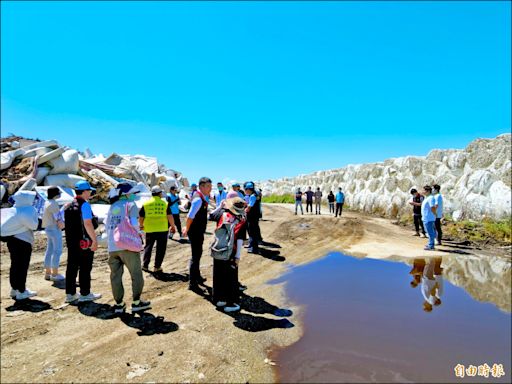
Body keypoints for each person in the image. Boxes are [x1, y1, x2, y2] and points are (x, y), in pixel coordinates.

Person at [106, 183, 151, 314]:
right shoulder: (131, 205)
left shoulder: (112, 207)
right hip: (128, 245)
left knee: (115, 276)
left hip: (112, 246)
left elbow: (108, 225)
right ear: (126, 194)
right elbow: (134, 224)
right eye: (132, 193)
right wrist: (140, 235)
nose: (133, 196)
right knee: (136, 275)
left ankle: (119, 304)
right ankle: (136, 303)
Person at [64, 180, 101, 303]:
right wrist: (94, 240)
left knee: (71, 267)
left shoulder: (67, 205)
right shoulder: (85, 205)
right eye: (89, 190)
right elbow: (88, 223)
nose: (90, 192)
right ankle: (85, 293)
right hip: (84, 242)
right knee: (85, 268)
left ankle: (70, 294)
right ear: (84, 191)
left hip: (71, 242)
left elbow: (59, 222)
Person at [209, 196, 247, 312]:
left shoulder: (221, 213)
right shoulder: (242, 219)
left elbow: (210, 216)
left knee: (218, 274)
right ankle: (231, 303)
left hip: (218, 249)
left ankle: (219, 300)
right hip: (231, 251)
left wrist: (219, 207)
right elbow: (240, 239)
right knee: (230, 278)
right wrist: (238, 257)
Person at [0, 191, 39, 300]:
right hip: (23, 241)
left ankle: (14, 289)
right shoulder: (26, 211)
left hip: (12, 240)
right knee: (22, 267)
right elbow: (34, 225)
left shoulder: (13, 209)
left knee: (15, 265)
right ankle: (22, 291)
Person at [183, 177, 212, 291]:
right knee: (195, 256)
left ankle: (197, 276)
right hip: (195, 231)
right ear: (201, 186)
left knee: (198, 254)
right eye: (208, 186)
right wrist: (186, 228)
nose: (210, 189)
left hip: (198, 230)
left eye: (210, 186)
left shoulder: (200, 196)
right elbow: (190, 216)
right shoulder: (198, 199)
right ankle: (192, 283)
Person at [139, 185, 176, 273]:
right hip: (162, 229)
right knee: (160, 249)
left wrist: (141, 225)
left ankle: (145, 265)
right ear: (159, 194)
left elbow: (141, 216)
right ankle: (157, 267)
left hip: (149, 229)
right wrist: (173, 226)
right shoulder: (164, 204)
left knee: (148, 247)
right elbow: (169, 216)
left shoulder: (146, 204)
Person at [42, 186, 65, 281]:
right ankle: (55, 274)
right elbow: (58, 219)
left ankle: (48, 273)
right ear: (56, 194)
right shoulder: (54, 204)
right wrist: (63, 227)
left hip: (48, 228)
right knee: (57, 251)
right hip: (54, 229)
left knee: (50, 250)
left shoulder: (47, 202)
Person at [244, 182, 261, 254]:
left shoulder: (252, 196)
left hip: (252, 217)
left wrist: (243, 211)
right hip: (254, 216)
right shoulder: (255, 195)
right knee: (252, 232)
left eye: (245, 189)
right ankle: (251, 245)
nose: (245, 191)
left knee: (252, 232)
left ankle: (254, 248)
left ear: (248, 189)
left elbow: (249, 208)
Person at [421, 185, 437, 251]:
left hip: (429, 218)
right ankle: (430, 244)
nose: (422, 191)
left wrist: (435, 214)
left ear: (427, 191)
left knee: (430, 232)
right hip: (425, 217)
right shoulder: (427, 197)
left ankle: (431, 245)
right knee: (428, 232)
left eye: (423, 190)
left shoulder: (431, 198)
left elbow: (432, 207)